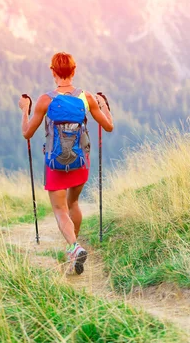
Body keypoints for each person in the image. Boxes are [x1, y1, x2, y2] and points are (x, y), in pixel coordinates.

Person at [18, 51, 113, 275]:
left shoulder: (45, 100)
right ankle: (74, 250)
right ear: (74, 70)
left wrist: (25, 110)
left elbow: (27, 133)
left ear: (53, 72)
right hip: (80, 162)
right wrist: (104, 104)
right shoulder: (86, 98)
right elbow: (108, 127)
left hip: (55, 164)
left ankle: (74, 248)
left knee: (60, 210)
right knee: (73, 205)